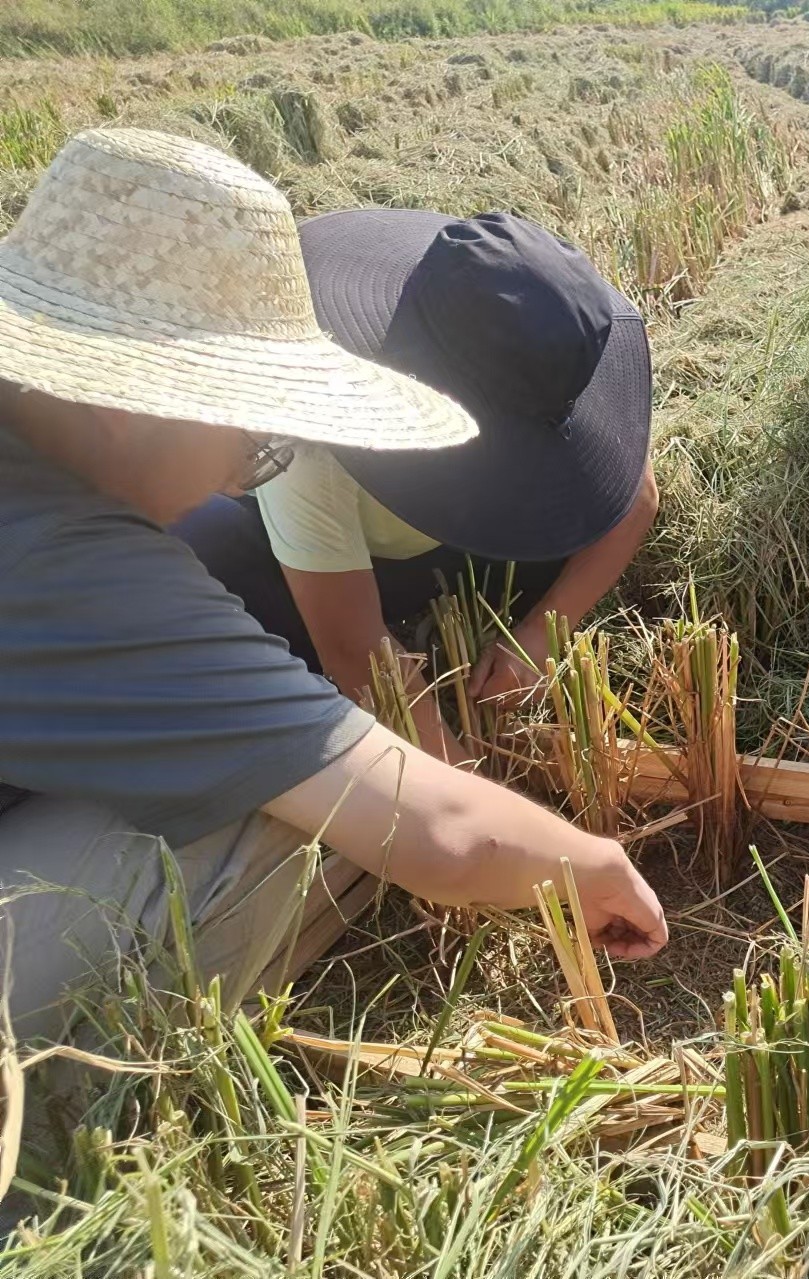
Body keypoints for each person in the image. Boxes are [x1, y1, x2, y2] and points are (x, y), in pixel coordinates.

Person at [0, 129, 666, 1046]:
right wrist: (588, 863)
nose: (253, 469)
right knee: (289, 812)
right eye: (253, 442)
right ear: (133, 405)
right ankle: (84, 1104)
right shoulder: (87, 571)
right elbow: (431, 822)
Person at [173, 209, 658, 765]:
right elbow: (355, 650)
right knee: (212, 558)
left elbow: (633, 496)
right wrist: (470, 793)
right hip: (343, 560)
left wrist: (540, 636)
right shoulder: (312, 437)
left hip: (459, 543)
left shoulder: (547, 361)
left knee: (571, 524)